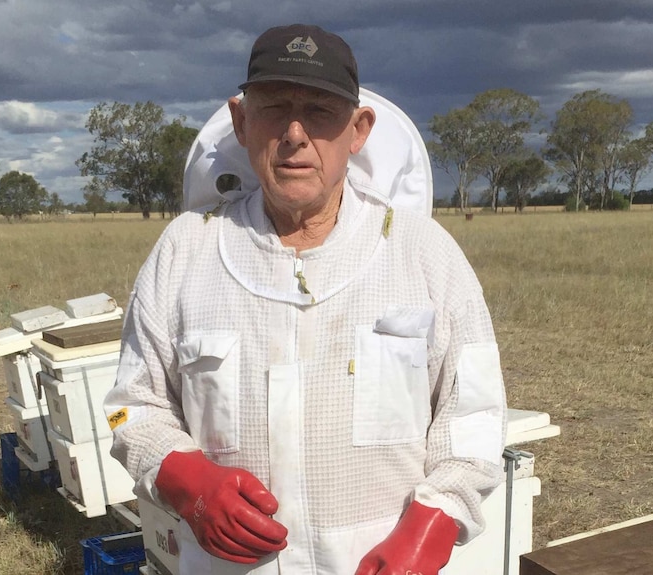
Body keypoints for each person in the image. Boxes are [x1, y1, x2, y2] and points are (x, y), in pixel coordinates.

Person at [104, 23, 507, 575]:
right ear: (242, 121)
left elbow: (475, 415)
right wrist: (181, 476)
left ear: (358, 129)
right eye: (274, 109)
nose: (295, 133)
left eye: (319, 112)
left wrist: (434, 520)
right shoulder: (185, 250)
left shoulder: (424, 254)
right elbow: (130, 407)